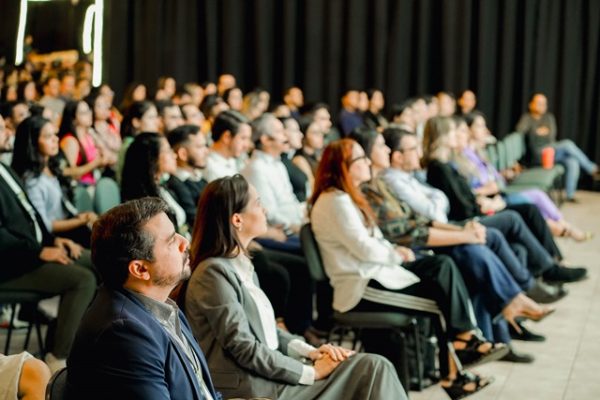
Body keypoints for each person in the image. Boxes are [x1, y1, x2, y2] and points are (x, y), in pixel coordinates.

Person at [309, 139, 508, 399]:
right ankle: (457, 362)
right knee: (439, 298)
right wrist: (396, 253)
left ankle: (464, 343)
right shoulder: (335, 201)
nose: (368, 162)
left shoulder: (348, 197)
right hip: (360, 287)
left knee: (441, 266)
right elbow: (365, 249)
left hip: (378, 274)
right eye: (361, 159)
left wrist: (394, 251)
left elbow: (373, 241)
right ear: (343, 166)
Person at [183, 174, 406, 400]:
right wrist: (311, 372)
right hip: (252, 385)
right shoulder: (213, 273)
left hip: (268, 375)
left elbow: (268, 333)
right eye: (258, 204)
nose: (265, 210)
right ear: (237, 220)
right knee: (373, 368)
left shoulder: (240, 266)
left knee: (372, 366)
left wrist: (312, 352)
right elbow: (244, 347)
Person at [349, 126, 552, 361]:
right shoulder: (373, 188)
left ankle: (500, 329)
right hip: (406, 255)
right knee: (473, 252)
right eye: (381, 146)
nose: (386, 149)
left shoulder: (380, 184)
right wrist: (463, 235)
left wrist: (462, 231)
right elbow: (407, 233)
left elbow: (421, 219)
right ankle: (511, 308)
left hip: (419, 242)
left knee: (481, 252)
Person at [66, 197, 219, 399]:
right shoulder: (123, 333)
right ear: (140, 269)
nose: (185, 242)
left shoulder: (163, 305)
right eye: (171, 241)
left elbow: (202, 390)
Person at [422, 116, 587, 284]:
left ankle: (550, 264)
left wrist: (483, 201)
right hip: (468, 220)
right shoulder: (439, 168)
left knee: (527, 212)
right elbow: (462, 206)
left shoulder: (446, 165)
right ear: (442, 136)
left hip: (479, 208)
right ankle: (549, 268)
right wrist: (487, 205)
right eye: (453, 131)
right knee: (513, 218)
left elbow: (466, 197)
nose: (458, 134)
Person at [0, 114, 97, 374]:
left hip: (30, 252)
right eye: (1, 128)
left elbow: (31, 218)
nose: (8, 132)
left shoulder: (4, 168)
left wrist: (54, 240)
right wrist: (40, 251)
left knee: (101, 260)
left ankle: (77, 340)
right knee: (83, 280)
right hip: (12, 266)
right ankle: (58, 359)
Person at [459, 111, 591, 241]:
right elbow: (471, 189)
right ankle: (564, 229)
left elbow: (493, 178)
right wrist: (487, 188)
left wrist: (503, 174)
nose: (486, 130)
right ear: (468, 130)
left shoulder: (479, 153)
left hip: (500, 192)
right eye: (480, 126)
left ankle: (563, 227)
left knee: (539, 195)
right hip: (493, 199)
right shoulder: (465, 158)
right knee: (534, 202)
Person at [11, 116, 97, 247]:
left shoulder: (51, 167)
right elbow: (45, 226)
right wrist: (82, 220)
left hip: (69, 225)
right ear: (32, 142)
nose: (55, 139)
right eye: (48, 136)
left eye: (55, 134)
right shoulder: (32, 181)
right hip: (55, 238)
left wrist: (80, 217)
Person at [516, 93, 600, 201]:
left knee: (572, 161)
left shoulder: (549, 118)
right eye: (539, 103)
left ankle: (570, 195)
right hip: (538, 154)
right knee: (567, 144)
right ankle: (593, 169)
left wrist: (537, 132)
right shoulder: (527, 118)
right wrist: (539, 132)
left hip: (552, 151)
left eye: (544, 104)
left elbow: (551, 137)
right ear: (531, 105)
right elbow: (520, 131)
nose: (542, 106)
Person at [121, 132, 189, 237]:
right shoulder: (143, 204)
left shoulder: (165, 186)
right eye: (168, 150)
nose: (174, 155)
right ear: (152, 158)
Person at [166, 124, 210, 226]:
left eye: (205, 145)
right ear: (183, 154)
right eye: (200, 147)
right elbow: (195, 220)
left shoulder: (199, 178)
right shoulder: (176, 184)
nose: (206, 151)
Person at [204, 110, 252, 182]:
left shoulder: (231, 160)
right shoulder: (210, 167)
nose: (247, 145)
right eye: (243, 138)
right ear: (227, 137)